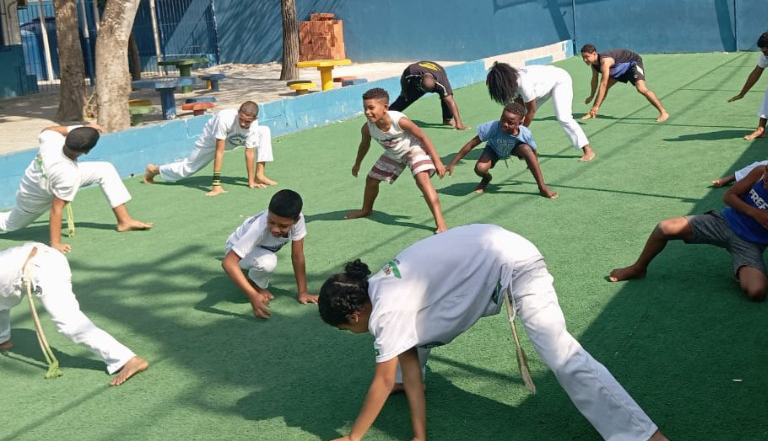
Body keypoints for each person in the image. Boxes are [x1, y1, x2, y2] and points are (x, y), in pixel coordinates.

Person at [318, 224, 665, 441]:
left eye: (346, 328)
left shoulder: (387, 309)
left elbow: (379, 381)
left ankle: (642, 434)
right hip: (496, 252)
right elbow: (408, 360)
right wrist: (419, 436)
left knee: (560, 353)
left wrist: (352, 437)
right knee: (409, 351)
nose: (352, 334)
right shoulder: (378, 286)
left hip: (517, 266)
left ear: (356, 312)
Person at [609, 148, 768, 301]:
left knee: (757, 293)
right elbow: (729, 196)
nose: (766, 177)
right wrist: (756, 213)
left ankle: (741, 270)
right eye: (767, 171)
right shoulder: (759, 171)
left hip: (749, 246)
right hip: (722, 222)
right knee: (665, 227)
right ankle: (638, 268)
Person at [0, 242, 149, 385]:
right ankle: (3, 339)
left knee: (68, 323)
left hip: (41, 267)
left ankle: (127, 359)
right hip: (41, 258)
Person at [0, 125, 152, 253]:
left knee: (105, 169)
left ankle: (124, 221)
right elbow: (56, 209)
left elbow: (46, 130)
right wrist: (56, 243)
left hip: (49, 180)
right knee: (8, 224)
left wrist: (81, 128)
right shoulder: (68, 175)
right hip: (31, 200)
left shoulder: (52, 140)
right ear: (86, 152)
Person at [346, 87, 448, 233]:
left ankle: (440, 222)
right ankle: (366, 210)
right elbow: (364, 144)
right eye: (365, 108)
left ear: (385, 107)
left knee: (422, 180)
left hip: (413, 150)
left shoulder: (400, 121)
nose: (367, 112)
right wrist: (357, 164)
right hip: (393, 153)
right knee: (371, 180)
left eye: (371, 108)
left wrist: (437, 161)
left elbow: (423, 137)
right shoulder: (367, 128)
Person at [144, 101, 277, 196]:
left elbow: (249, 152)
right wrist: (216, 185)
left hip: (234, 138)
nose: (243, 123)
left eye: (247, 121)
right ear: (238, 113)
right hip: (211, 140)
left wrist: (251, 182)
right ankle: (154, 170)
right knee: (188, 169)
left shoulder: (253, 125)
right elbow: (219, 151)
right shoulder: (224, 119)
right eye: (241, 119)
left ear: (254, 119)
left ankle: (259, 175)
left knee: (264, 131)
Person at [221, 189, 316, 320]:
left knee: (267, 259)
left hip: (260, 249)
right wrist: (252, 295)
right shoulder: (259, 228)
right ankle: (256, 285)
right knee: (267, 262)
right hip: (234, 247)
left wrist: (303, 292)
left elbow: (297, 256)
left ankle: (254, 281)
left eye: (283, 226)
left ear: (296, 220)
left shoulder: (299, 220)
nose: (275, 229)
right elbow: (228, 262)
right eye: (271, 222)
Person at [486, 62, 595, 162]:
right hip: (540, 89)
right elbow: (519, 110)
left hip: (559, 81)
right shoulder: (509, 83)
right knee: (516, 116)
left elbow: (531, 111)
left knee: (563, 117)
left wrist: (520, 133)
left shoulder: (523, 83)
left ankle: (587, 149)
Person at [446, 102, 557, 198]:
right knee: (479, 168)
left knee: (527, 149)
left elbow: (534, 150)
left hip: (513, 149)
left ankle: (542, 187)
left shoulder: (525, 133)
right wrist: (453, 163)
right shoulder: (492, 127)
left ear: (520, 123)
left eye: (510, 122)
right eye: (503, 119)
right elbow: (471, 144)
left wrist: (533, 162)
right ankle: (486, 179)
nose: (504, 124)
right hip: (493, 149)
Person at [579, 44, 669, 122]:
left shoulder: (605, 62)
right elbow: (594, 80)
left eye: (587, 57)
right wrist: (591, 95)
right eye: (583, 57)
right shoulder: (594, 65)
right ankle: (593, 112)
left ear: (594, 54)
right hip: (618, 68)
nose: (585, 60)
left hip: (632, 63)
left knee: (641, 89)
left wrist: (595, 105)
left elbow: (603, 84)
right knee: (604, 89)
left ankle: (663, 112)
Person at [389, 61, 469, 130]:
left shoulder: (442, 83)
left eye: (429, 90)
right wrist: (404, 91)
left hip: (438, 70)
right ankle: (387, 115)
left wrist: (459, 123)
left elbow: (451, 102)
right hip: (420, 73)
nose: (426, 92)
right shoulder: (412, 71)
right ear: (420, 80)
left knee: (446, 98)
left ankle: (447, 119)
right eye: (425, 90)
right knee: (405, 98)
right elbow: (404, 78)